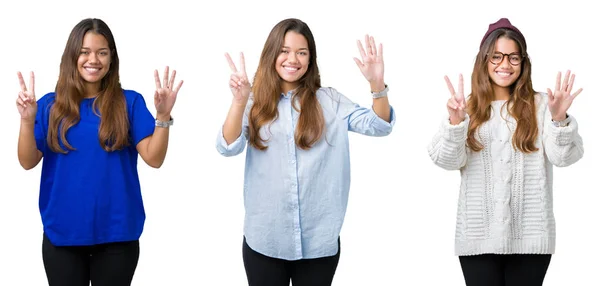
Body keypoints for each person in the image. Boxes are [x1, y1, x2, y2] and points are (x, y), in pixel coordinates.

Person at [216, 18, 395, 286]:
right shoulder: (254, 103)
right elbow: (228, 146)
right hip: (265, 240)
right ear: (272, 54)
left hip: (318, 243)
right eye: (285, 51)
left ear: (310, 60)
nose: (293, 59)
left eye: (302, 52)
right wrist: (239, 100)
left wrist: (377, 85)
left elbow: (379, 126)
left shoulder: (331, 101)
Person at [15, 18, 183, 286]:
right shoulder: (49, 105)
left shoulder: (130, 102)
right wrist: (26, 120)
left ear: (111, 57)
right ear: (72, 56)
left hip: (117, 234)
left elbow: (154, 158)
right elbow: (27, 161)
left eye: (102, 52)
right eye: (84, 51)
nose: (93, 59)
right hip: (63, 234)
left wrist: (163, 116)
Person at [427, 18, 584, 286]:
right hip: (478, 238)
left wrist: (559, 120)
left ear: (523, 62)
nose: (504, 64)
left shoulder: (543, 105)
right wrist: (455, 123)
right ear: (484, 60)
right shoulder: (466, 107)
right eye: (496, 56)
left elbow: (565, 157)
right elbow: (445, 160)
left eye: (513, 57)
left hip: (530, 239)